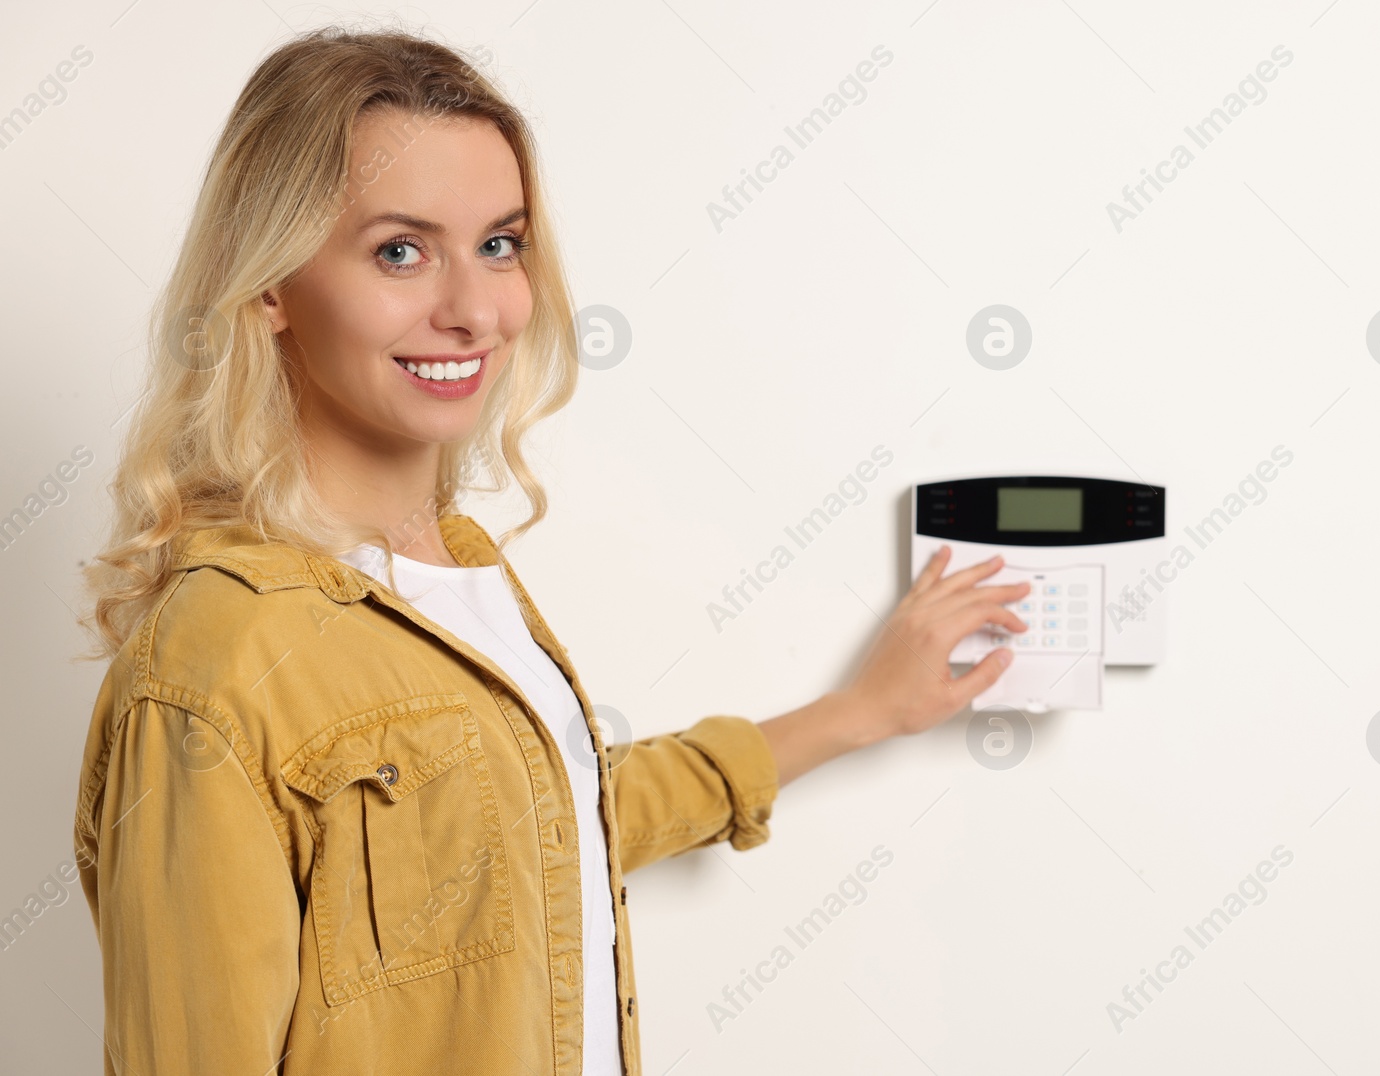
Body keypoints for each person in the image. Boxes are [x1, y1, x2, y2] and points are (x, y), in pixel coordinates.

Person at [71, 25, 1027, 1076]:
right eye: (400, 249)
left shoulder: (459, 570)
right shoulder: (217, 661)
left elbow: (552, 821)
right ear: (269, 283)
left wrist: (859, 711)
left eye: (500, 242)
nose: (475, 309)